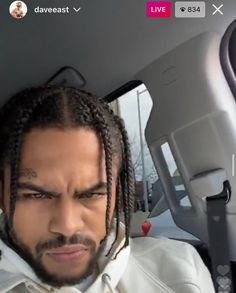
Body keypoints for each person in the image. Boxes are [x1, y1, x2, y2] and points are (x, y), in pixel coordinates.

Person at [0, 86, 215, 293]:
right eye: (36, 195)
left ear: (115, 192)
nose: (68, 226)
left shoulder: (181, 270)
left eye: (91, 194)